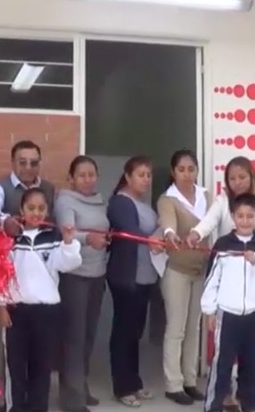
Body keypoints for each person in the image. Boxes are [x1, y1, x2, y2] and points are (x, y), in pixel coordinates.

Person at [185, 156, 255, 412]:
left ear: (252, 176)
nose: (237, 182)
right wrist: (196, 233)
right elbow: (207, 224)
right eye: (232, 178)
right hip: (229, 297)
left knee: (252, 358)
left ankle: (248, 400)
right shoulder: (222, 208)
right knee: (223, 359)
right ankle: (219, 400)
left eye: (242, 176)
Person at [0, 188, 82, 412]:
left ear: (48, 211)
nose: (36, 212)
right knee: (15, 367)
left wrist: (69, 242)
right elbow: (0, 274)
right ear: (21, 210)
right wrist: (2, 306)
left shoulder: (53, 237)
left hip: (47, 313)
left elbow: (68, 263)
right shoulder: (10, 239)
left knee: (42, 368)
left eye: (41, 208)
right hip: (17, 312)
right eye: (31, 208)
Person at [201, 193, 255, 412]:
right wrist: (209, 311)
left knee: (252, 365)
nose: (245, 221)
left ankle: (250, 406)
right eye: (240, 216)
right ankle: (213, 406)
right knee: (222, 365)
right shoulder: (223, 245)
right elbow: (211, 281)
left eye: (250, 216)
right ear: (233, 217)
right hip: (227, 315)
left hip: (254, 315)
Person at [106, 156, 163, 408]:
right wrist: (152, 240)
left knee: (135, 332)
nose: (146, 179)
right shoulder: (121, 201)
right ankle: (122, 387)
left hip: (145, 276)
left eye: (149, 175)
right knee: (123, 332)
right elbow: (129, 231)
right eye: (141, 174)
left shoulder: (143, 203)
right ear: (127, 177)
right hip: (126, 277)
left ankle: (134, 382)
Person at [54, 156, 109, 412]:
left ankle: (81, 386)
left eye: (91, 174)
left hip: (97, 275)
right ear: (72, 179)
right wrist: (89, 239)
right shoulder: (65, 201)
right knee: (73, 339)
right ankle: (71, 400)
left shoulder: (99, 201)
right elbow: (66, 232)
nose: (88, 180)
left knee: (87, 336)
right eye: (82, 175)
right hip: (75, 276)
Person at [157, 150, 212, 405]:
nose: (187, 174)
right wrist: (169, 233)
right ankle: (173, 384)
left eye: (191, 169)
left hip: (201, 272)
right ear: (173, 172)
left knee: (194, 329)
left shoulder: (207, 196)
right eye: (181, 169)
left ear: (197, 171)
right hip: (177, 272)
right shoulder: (168, 199)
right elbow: (168, 222)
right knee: (176, 329)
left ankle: (190, 381)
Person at [0, 140, 56, 223]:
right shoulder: (0, 187)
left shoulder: (48, 188)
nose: (28, 168)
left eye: (34, 163)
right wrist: (6, 221)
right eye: (22, 163)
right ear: (13, 163)